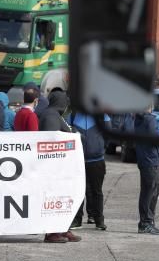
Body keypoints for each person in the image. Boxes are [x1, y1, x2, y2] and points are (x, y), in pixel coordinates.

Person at [38, 91, 81, 243]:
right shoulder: (50, 116)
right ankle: (52, 233)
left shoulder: (55, 115)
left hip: (61, 168)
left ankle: (63, 228)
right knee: (54, 200)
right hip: (54, 168)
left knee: (63, 200)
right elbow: (52, 140)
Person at [69, 112, 110, 231]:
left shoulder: (103, 116)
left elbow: (108, 136)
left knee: (97, 191)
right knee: (79, 191)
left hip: (97, 160)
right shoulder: (72, 116)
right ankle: (77, 220)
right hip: (78, 160)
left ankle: (99, 221)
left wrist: (100, 148)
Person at [133, 107, 159, 234]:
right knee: (151, 192)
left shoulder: (138, 118)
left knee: (149, 191)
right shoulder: (149, 119)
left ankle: (147, 221)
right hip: (151, 159)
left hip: (145, 158)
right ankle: (146, 222)